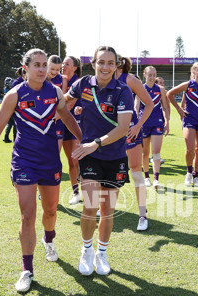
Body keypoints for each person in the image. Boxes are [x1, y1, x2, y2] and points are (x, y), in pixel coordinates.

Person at [0, 48, 82, 293]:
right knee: (27, 215)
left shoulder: (55, 92)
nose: (41, 69)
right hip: (24, 161)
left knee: (50, 211)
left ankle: (49, 239)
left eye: (44, 65)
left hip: (50, 161)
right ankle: (27, 269)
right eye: (36, 64)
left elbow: (67, 118)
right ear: (25, 68)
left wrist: (84, 141)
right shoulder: (14, 95)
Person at [65, 45, 133, 276]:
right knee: (91, 204)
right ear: (93, 64)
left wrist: (96, 142)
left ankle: (102, 253)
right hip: (90, 155)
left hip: (114, 156)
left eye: (110, 63)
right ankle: (86, 250)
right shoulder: (83, 84)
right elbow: (61, 104)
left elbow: (123, 128)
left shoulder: (123, 91)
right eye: (101, 62)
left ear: (116, 66)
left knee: (107, 210)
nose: (105, 67)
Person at [115, 56, 154, 231]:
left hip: (130, 130)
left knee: (136, 172)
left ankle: (142, 215)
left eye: (112, 62)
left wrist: (138, 125)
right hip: (111, 133)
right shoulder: (102, 80)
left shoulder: (130, 80)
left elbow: (150, 104)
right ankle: (107, 208)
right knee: (112, 170)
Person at [167, 62, 198, 187]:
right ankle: (188, 172)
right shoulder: (188, 85)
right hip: (189, 119)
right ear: (194, 72)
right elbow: (169, 94)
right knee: (190, 148)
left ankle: (196, 176)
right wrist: (180, 110)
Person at [139, 66, 170, 188]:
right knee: (145, 153)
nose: (152, 77)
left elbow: (165, 107)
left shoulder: (161, 89)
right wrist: (137, 123)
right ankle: (146, 177)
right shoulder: (140, 88)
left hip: (157, 123)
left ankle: (156, 179)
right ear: (145, 75)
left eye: (154, 75)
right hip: (144, 123)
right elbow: (136, 106)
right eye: (149, 75)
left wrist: (167, 122)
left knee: (156, 152)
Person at [61, 55, 83, 205]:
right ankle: (76, 193)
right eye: (63, 63)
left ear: (75, 67)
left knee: (77, 160)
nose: (63, 66)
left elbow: (68, 105)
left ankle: (86, 186)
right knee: (70, 161)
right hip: (62, 125)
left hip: (76, 125)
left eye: (67, 64)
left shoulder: (77, 82)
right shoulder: (59, 80)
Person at [47, 55, 68, 152]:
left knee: (55, 155)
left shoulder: (63, 79)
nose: (55, 72)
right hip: (42, 120)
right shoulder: (40, 78)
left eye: (58, 69)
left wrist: (55, 117)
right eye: (52, 69)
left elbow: (63, 103)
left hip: (57, 120)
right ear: (47, 65)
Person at [3, 67, 25, 143]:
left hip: (14, 105)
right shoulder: (18, 82)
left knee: (10, 123)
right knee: (15, 123)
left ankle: (6, 137)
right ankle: (15, 138)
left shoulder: (17, 81)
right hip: (16, 105)